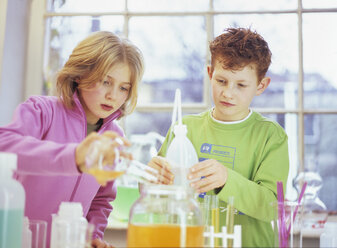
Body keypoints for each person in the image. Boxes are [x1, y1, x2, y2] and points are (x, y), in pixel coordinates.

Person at [0, 31, 144, 248]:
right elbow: (5, 145)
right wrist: (74, 156)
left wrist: (93, 236)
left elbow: (101, 199)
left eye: (123, 88)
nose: (113, 95)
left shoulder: (113, 138)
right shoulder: (42, 111)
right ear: (79, 75)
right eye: (106, 81)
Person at [148, 27, 289, 247]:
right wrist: (152, 179)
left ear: (261, 85)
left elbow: (273, 207)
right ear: (210, 74)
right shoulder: (184, 129)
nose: (228, 93)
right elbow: (158, 197)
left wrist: (226, 179)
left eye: (241, 85)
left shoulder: (271, 136)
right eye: (221, 81)